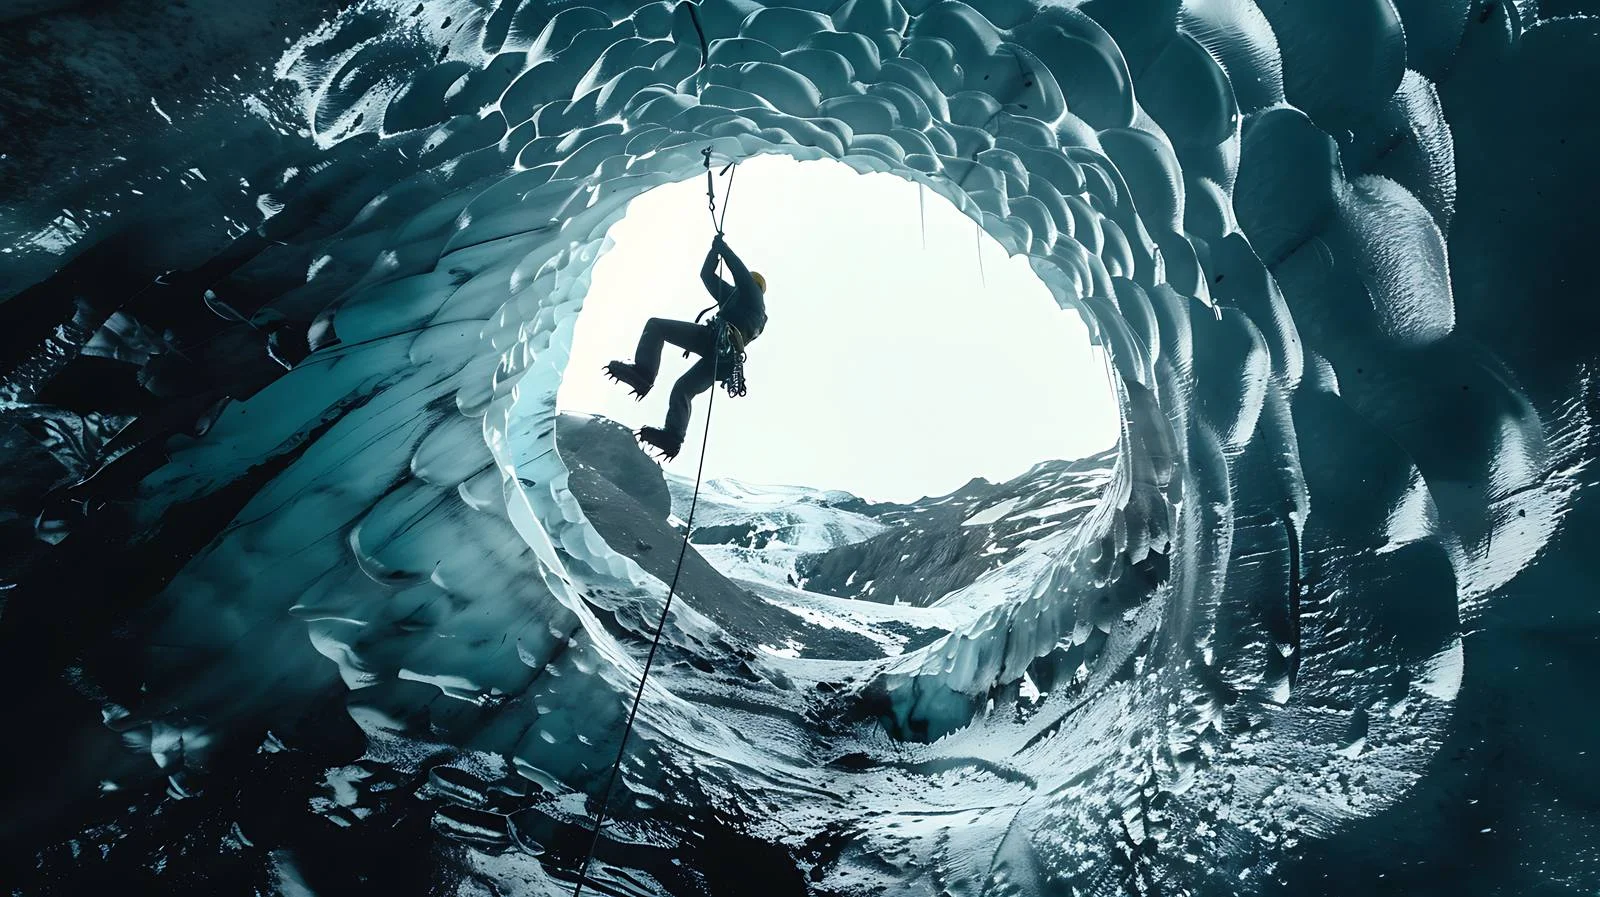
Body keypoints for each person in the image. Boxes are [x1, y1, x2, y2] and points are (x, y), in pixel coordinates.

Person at [604, 233, 767, 460]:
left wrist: (722, 249)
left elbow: (739, 275)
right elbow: (707, 275)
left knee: (656, 327)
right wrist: (715, 253)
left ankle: (643, 373)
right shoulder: (740, 302)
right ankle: (673, 437)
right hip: (724, 359)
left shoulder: (752, 298)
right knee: (683, 389)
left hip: (714, 339)